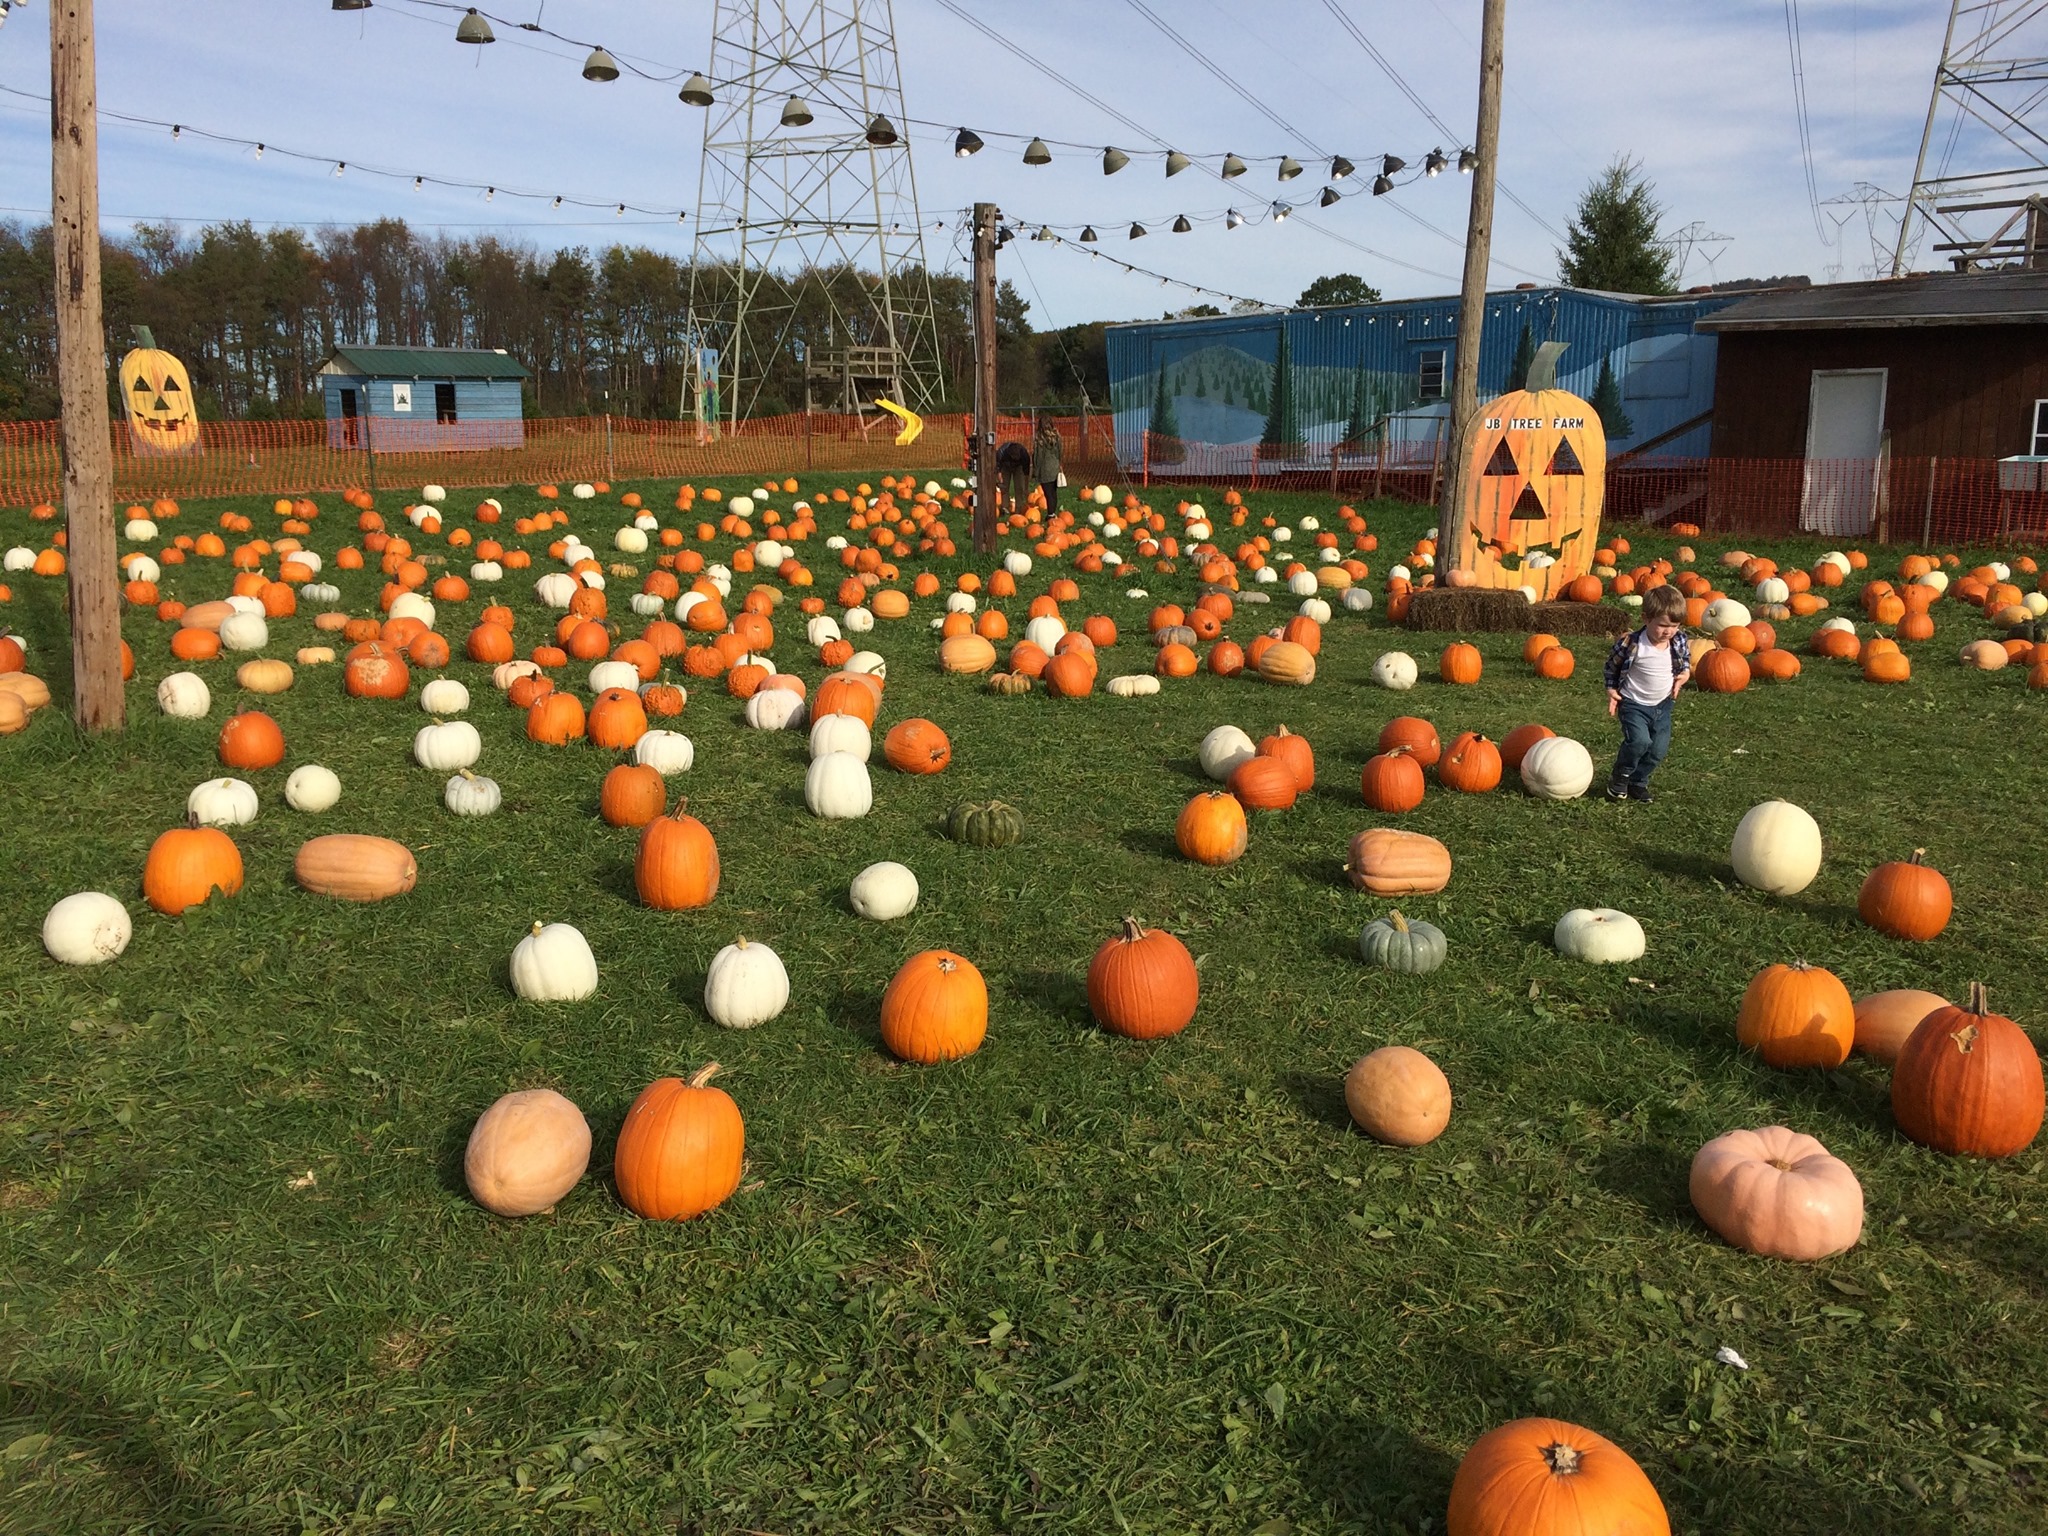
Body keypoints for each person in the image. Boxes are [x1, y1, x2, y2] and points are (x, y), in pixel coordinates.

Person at [1602, 583, 1692, 803]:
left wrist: (1686, 673)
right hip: (1634, 704)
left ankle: (1638, 781)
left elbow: (1685, 660)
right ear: (1646, 618)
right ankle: (1620, 777)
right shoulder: (1632, 644)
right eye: (1662, 625)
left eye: (1675, 625)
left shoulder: (1677, 640)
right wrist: (1611, 690)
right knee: (1639, 742)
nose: (1669, 631)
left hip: (1662, 705)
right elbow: (1612, 667)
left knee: (1657, 750)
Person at [1031, 417, 1062, 516]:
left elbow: (1038, 456)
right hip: (1055, 467)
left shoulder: (1039, 439)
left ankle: (1050, 514)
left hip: (1044, 469)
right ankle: (1052, 512)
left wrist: (1035, 471)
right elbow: (1060, 452)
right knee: (1053, 492)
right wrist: (1059, 463)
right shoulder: (1057, 436)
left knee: (1048, 493)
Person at [995, 439, 1031, 515]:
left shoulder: (1024, 454)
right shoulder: (1002, 452)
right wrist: (1000, 480)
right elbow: (998, 468)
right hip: (1005, 466)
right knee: (1004, 487)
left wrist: (1026, 487)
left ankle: (1019, 509)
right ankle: (1005, 508)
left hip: (1019, 467)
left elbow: (1026, 472)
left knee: (1019, 487)